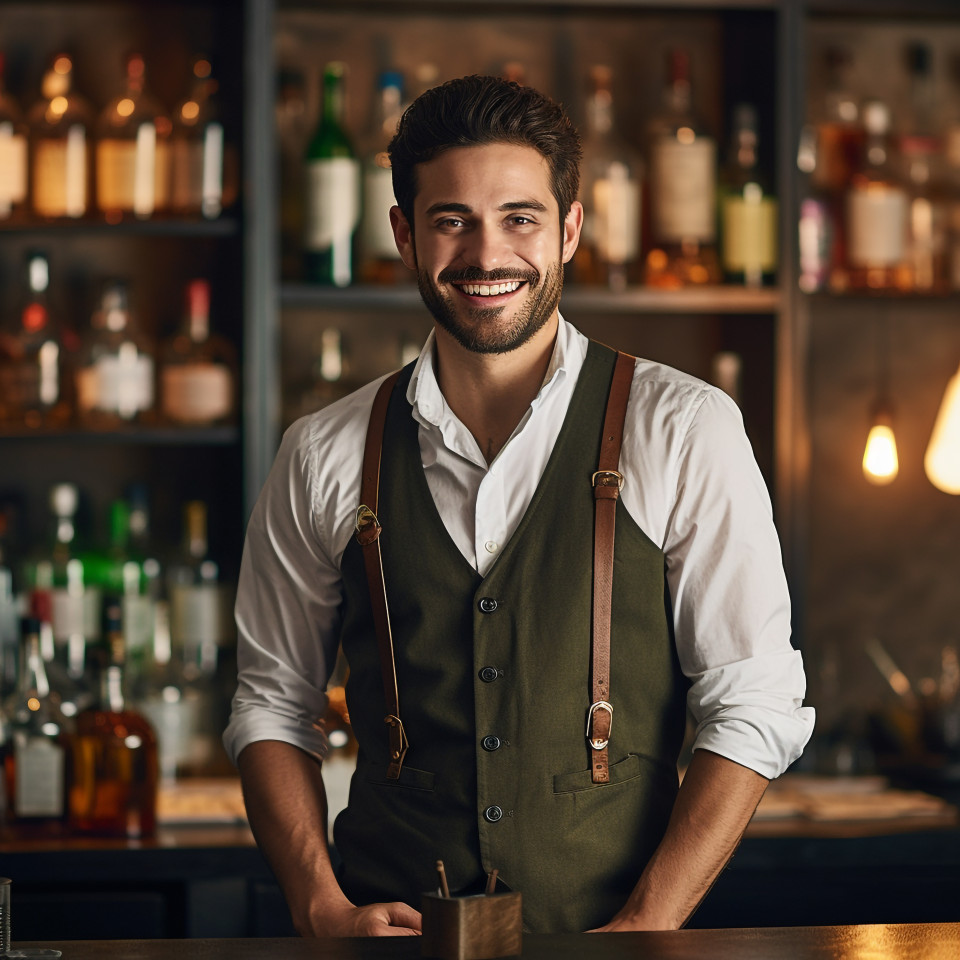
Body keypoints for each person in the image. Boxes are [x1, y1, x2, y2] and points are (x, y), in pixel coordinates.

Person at [224, 75, 814, 938]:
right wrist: (318, 903)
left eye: (520, 218)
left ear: (570, 229)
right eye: (451, 219)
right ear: (403, 233)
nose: (486, 253)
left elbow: (756, 699)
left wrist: (648, 925)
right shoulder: (322, 450)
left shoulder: (684, 427)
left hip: (611, 939)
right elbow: (273, 704)